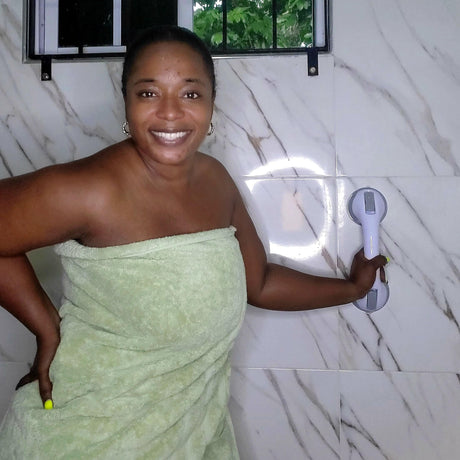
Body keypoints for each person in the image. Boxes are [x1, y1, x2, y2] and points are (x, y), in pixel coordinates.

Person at [0, 25, 387, 459]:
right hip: (83, 439)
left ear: (211, 104)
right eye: (148, 93)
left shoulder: (215, 180)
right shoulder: (92, 190)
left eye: (190, 93)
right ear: (126, 102)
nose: (170, 113)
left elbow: (258, 282)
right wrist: (46, 328)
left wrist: (351, 288)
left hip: (189, 437)